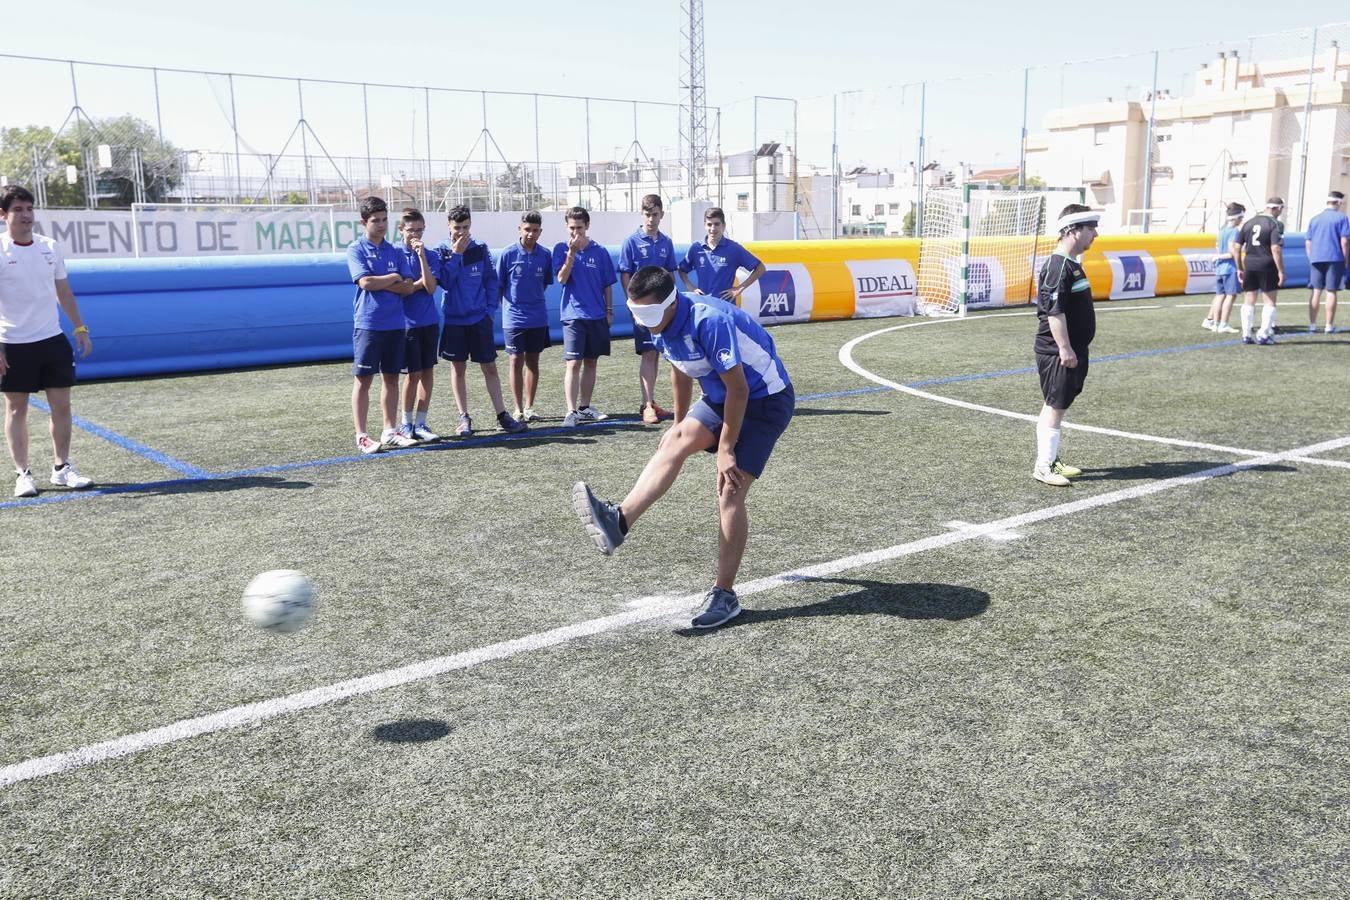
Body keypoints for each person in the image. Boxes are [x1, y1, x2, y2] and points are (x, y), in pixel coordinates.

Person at [572, 265, 795, 630]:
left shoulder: (709, 320)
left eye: (648, 314)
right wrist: (679, 422)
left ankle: (724, 594)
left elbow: (740, 389)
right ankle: (618, 522)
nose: (643, 322)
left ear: (671, 304)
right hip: (722, 396)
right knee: (675, 442)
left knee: (729, 491)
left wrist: (726, 449)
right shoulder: (659, 326)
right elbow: (680, 368)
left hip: (764, 401)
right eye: (636, 313)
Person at [0, 185, 95, 498]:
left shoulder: (50, 246)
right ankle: (23, 475)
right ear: (3, 215)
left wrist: (79, 327)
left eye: (29, 208)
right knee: (16, 409)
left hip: (51, 340)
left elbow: (63, 292)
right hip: (11, 343)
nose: (26, 215)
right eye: (18, 209)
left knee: (62, 406)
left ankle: (62, 469)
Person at [434, 205, 527, 437]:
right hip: (454, 320)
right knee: (458, 368)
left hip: (479, 318)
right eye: (457, 228)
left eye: (465, 227)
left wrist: (490, 311)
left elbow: (490, 280)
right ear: (448, 226)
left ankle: (502, 415)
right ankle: (463, 416)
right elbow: (444, 282)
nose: (461, 232)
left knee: (490, 368)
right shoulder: (442, 251)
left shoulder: (481, 248)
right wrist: (456, 253)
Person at [1031, 204, 1099, 487]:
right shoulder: (1058, 265)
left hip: (1070, 348)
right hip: (1057, 350)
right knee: (1055, 405)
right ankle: (1044, 466)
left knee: (1057, 404)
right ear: (1074, 230)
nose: (1096, 234)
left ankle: (1051, 459)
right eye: (1091, 228)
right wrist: (1065, 348)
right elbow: (1054, 311)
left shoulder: (1072, 264)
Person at [346, 196, 418, 454]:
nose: (381, 224)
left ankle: (389, 430)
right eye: (375, 220)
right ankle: (362, 436)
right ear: (364, 222)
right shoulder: (356, 249)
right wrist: (392, 278)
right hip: (368, 324)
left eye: (385, 219)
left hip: (395, 324)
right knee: (364, 380)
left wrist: (384, 281)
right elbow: (365, 283)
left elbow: (409, 288)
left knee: (391, 379)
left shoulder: (396, 251)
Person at [552, 206, 617, 427]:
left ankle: (585, 407)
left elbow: (608, 284)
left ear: (587, 226)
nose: (575, 233)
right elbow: (561, 279)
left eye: (579, 227)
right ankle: (570, 411)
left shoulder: (600, 252)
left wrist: (609, 311)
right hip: (573, 315)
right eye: (571, 228)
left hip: (597, 315)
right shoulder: (561, 249)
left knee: (591, 362)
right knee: (573, 363)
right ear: (566, 227)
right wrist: (571, 254)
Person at [618, 195, 678, 424]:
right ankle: (647, 404)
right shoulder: (631, 242)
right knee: (649, 354)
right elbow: (625, 275)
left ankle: (675, 402)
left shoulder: (666, 243)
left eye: (655, 214)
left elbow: (671, 274)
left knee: (672, 353)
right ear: (641, 214)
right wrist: (633, 305)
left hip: (665, 309)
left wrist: (674, 303)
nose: (651, 219)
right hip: (643, 310)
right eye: (647, 214)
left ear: (661, 215)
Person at [496, 211, 554, 422]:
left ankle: (529, 407)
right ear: (519, 229)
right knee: (514, 361)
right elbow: (499, 286)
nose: (531, 234)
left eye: (535, 230)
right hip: (513, 318)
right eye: (527, 229)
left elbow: (545, 283)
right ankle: (517, 408)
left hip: (538, 317)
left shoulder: (545, 255)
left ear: (540, 231)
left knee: (533, 362)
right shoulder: (508, 253)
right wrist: (510, 309)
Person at [395, 208, 441, 442]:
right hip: (406, 324)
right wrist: (415, 284)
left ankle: (421, 423)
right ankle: (405, 423)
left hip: (429, 321)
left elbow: (431, 287)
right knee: (412, 374)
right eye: (411, 230)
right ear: (401, 229)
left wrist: (421, 258)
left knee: (427, 372)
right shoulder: (394, 254)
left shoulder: (430, 255)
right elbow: (400, 287)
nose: (415, 235)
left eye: (419, 230)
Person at [677, 206, 766, 303]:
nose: (713, 228)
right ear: (704, 225)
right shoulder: (696, 248)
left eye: (716, 224)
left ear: (723, 225)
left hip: (726, 306)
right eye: (709, 224)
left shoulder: (733, 248)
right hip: (704, 306)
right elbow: (681, 269)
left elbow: (760, 268)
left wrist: (739, 288)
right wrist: (691, 288)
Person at [1237, 197, 1286, 346]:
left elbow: (1237, 247)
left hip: (1250, 264)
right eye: (1281, 209)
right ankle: (1263, 335)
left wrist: (1239, 267)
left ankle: (1246, 334)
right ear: (1276, 208)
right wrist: (1281, 271)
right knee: (1270, 301)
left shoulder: (1248, 223)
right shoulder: (1275, 224)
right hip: (1267, 265)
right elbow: (1275, 248)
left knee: (1249, 300)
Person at [1303, 191, 1349, 334]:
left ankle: (1312, 325)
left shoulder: (1315, 219)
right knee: (1331, 291)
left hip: (1316, 258)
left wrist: (1311, 258)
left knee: (1316, 291)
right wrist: (1346, 259)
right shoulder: (1342, 218)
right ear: (1339, 203)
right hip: (1334, 258)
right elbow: (1345, 241)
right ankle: (1329, 325)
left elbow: (1308, 242)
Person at [1203, 203, 1244, 334]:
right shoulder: (1234, 231)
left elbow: (1217, 245)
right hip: (1229, 268)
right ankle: (1224, 324)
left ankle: (1215, 323)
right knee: (1231, 296)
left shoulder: (1221, 230)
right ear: (1236, 217)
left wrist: (1218, 256)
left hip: (1220, 268)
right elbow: (1232, 252)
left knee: (1220, 295)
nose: (1242, 220)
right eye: (1241, 217)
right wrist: (1239, 268)